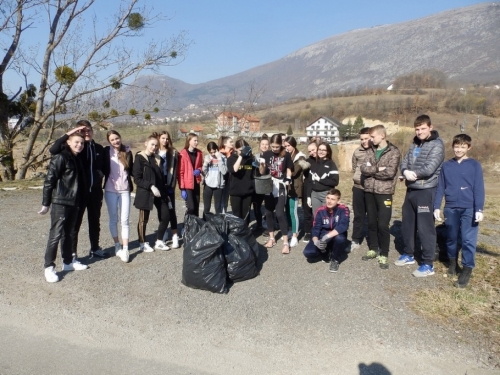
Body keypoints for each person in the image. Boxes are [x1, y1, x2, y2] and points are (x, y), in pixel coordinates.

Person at [396, 114, 445, 277]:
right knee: (408, 225)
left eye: (423, 128)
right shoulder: (414, 144)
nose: (419, 132)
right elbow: (404, 161)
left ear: (430, 127)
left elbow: (430, 168)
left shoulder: (437, 145)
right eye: (417, 129)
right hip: (411, 190)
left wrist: (413, 173)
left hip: (426, 190)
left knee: (425, 228)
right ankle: (409, 254)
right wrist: (404, 171)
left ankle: (428, 263)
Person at [433, 134, 485, 288]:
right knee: (451, 238)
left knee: (468, 240)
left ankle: (467, 270)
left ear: (468, 147)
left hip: (469, 208)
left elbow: (479, 188)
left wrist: (479, 208)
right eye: (457, 146)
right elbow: (440, 187)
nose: (459, 149)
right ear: (453, 147)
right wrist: (437, 206)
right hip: (451, 207)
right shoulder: (447, 166)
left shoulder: (474, 165)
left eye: (463, 146)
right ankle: (452, 264)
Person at [49, 120, 106, 258]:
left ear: (92, 131)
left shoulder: (99, 148)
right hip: (79, 193)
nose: (87, 133)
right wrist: (69, 133)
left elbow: (105, 165)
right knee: (75, 224)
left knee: (95, 221)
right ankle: (72, 253)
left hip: (96, 192)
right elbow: (54, 149)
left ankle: (95, 248)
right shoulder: (78, 147)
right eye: (83, 131)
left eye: (89, 130)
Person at [39, 131, 89, 283]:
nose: (79, 145)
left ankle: (68, 262)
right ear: (68, 142)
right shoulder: (60, 157)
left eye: (82, 143)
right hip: (61, 201)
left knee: (69, 233)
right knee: (56, 234)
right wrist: (46, 203)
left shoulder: (77, 159)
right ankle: (49, 267)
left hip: (75, 202)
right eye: (76, 142)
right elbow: (49, 181)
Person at [359, 125, 401, 269]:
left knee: (383, 224)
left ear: (382, 135)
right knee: (371, 222)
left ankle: (384, 253)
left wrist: (372, 171)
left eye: (372, 137)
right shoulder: (370, 151)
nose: (370, 139)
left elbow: (390, 173)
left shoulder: (394, 152)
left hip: (384, 192)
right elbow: (363, 168)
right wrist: (377, 169)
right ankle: (374, 248)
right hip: (369, 190)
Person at [132, 135, 170, 252]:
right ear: (146, 144)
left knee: (166, 215)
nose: (154, 147)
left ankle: (159, 241)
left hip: (160, 192)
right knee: (143, 220)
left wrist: (165, 192)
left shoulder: (157, 159)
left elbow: (161, 177)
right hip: (145, 192)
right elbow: (137, 178)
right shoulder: (139, 158)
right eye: (152, 144)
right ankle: (142, 243)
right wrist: (151, 186)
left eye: (156, 145)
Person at [259, 134, 294, 254]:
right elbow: (262, 171)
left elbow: (289, 168)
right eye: (272, 146)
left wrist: (288, 177)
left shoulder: (286, 154)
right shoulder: (267, 154)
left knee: (279, 213)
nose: (274, 149)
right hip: (269, 184)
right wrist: (262, 164)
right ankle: (272, 238)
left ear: (281, 144)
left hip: (280, 185)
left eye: (277, 146)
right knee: (268, 213)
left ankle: (285, 242)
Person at [103, 130, 133, 263]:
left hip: (125, 190)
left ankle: (125, 248)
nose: (116, 141)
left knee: (125, 220)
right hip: (110, 190)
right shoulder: (106, 152)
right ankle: (117, 245)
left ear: (120, 137)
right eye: (112, 140)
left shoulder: (127, 151)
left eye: (117, 138)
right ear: (109, 141)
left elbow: (131, 171)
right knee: (113, 219)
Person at [303, 189, 350, 273]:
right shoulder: (320, 210)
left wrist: (326, 237)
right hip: (323, 235)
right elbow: (315, 228)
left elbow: (343, 226)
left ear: (338, 201)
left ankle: (335, 260)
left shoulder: (343, 209)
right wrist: (316, 241)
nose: (329, 201)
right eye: (328, 198)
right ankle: (326, 251)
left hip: (335, 235)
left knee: (340, 238)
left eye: (333, 199)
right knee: (308, 252)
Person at [284, 136, 309, 248]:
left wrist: (285, 163)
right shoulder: (286, 155)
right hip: (285, 187)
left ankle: (295, 236)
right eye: (285, 146)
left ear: (293, 145)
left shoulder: (301, 157)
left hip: (295, 188)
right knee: (287, 211)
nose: (287, 148)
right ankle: (290, 229)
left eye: (288, 146)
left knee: (293, 211)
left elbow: (293, 172)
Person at [157, 131, 180, 249]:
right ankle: (164, 232)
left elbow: (176, 170)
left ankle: (175, 235)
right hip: (158, 184)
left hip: (169, 183)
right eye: (163, 138)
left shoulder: (173, 152)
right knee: (161, 211)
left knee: (171, 210)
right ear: (158, 139)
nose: (165, 140)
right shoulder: (155, 152)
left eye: (167, 138)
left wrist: (173, 185)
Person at [349, 127, 371, 252]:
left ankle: (373, 241)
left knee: (373, 216)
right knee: (358, 215)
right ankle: (356, 239)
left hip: (372, 189)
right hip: (358, 187)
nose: (364, 141)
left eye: (366, 138)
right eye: (362, 139)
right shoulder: (357, 151)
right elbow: (354, 167)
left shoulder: (376, 151)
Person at [227, 138, 255, 221]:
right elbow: (233, 170)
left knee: (246, 215)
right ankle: (237, 233)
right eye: (240, 150)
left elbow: (254, 174)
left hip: (248, 191)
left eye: (244, 150)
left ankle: (245, 232)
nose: (242, 151)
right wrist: (241, 156)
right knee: (236, 215)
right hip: (236, 192)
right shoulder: (231, 158)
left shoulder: (250, 159)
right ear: (236, 149)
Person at [309, 142, 339, 217]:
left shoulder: (331, 164)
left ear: (328, 152)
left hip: (325, 194)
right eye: (320, 149)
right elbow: (309, 181)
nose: (321, 152)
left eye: (324, 150)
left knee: (326, 217)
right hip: (314, 194)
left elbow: (335, 182)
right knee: (316, 216)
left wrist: (320, 180)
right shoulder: (314, 163)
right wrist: (308, 196)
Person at [178, 133, 203, 217]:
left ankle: (195, 228)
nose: (197, 142)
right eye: (195, 140)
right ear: (189, 141)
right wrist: (182, 189)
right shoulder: (182, 154)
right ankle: (187, 226)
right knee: (191, 208)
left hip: (196, 182)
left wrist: (199, 170)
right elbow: (180, 172)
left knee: (196, 207)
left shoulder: (199, 153)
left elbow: (200, 166)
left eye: (197, 140)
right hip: (187, 185)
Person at [202, 142, 228, 218]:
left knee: (217, 207)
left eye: (214, 151)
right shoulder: (207, 157)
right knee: (206, 207)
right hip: (208, 185)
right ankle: (205, 223)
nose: (213, 154)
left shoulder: (223, 158)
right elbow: (204, 173)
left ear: (217, 149)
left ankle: (218, 224)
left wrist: (219, 159)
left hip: (218, 186)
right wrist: (205, 164)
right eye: (211, 152)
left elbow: (224, 171)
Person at [252, 134, 270, 234]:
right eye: (262, 144)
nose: (264, 146)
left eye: (266, 144)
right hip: (258, 183)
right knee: (257, 205)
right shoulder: (255, 157)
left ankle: (268, 225)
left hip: (269, 182)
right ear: (259, 146)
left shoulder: (272, 156)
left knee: (269, 205)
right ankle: (259, 224)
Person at [302, 141, 318, 242]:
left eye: (313, 150)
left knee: (318, 212)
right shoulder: (307, 161)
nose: (312, 152)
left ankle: (318, 230)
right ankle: (308, 231)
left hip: (318, 189)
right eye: (309, 151)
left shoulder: (323, 161)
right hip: (307, 188)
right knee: (307, 211)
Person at [218, 136, 234, 213]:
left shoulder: (233, 153)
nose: (232, 143)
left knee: (226, 199)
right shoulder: (220, 154)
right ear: (225, 143)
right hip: (222, 180)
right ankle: (222, 215)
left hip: (231, 180)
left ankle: (225, 213)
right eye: (230, 142)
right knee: (221, 199)